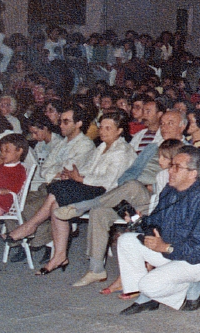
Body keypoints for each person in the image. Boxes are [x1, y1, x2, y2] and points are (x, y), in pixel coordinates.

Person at [13, 109, 135, 275]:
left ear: (119, 131)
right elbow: (87, 169)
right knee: (57, 199)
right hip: (93, 186)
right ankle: (59, 255)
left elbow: (109, 181)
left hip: (109, 193)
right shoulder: (103, 147)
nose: (102, 131)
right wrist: (73, 175)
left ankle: (32, 227)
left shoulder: (121, 151)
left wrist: (80, 179)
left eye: (108, 128)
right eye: (101, 127)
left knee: (58, 190)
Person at [117, 146, 200, 314]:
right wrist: (140, 220)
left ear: (192, 174)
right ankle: (147, 297)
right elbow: (156, 221)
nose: (170, 170)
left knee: (148, 284)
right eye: (171, 165)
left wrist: (165, 247)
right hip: (169, 250)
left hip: (195, 262)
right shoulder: (169, 191)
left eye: (177, 167)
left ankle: (193, 289)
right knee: (126, 241)